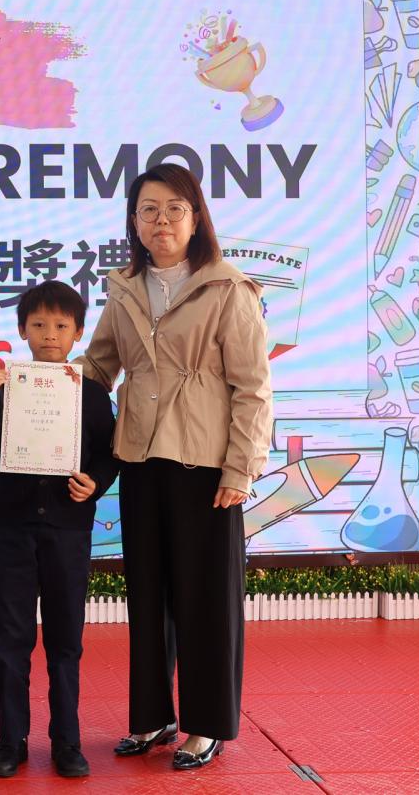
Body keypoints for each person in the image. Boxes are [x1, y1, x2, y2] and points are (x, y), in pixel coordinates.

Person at [78, 163, 272, 770]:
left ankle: (205, 725)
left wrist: (240, 469)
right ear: (133, 222)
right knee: (148, 594)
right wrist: (31, 382)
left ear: (195, 219)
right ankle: (152, 717)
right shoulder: (125, 288)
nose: (160, 220)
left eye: (174, 209)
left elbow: (253, 388)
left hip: (205, 464)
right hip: (140, 458)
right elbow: (98, 366)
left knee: (206, 598)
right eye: (148, 210)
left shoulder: (227, 288)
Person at [0, 280, 118, 779]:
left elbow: (109, 453)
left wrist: (94, 482)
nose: (49, 334)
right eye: (38, 325)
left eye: (60, 325)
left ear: (77, 333)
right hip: (13, 530)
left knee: (65, 641)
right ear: (22, 330)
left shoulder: (91, 394)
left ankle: (67, 742)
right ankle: (9, 741)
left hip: (68, 530)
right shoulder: (5, 388)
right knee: (11, 639)